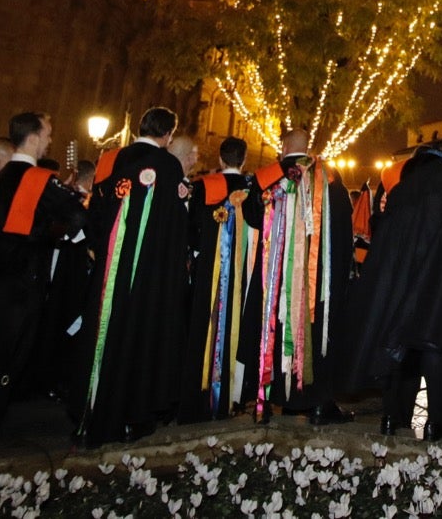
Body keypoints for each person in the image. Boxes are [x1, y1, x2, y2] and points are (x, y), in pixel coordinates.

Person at [0, 112, 84, 449]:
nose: (50, 140)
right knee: (7, 354)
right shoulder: (38, 178)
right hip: (21, 274)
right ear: (34, 136)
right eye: (48, 134)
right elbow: (77, 215)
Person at [342, 138, 442, 441]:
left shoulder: (403, 184)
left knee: (399, 341)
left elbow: (385, 231)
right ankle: (437, 421)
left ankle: (393, 416)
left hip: (400, 275)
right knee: (437, 343)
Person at [74, 107, 190, 445]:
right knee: (138, 339)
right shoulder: (168, 166)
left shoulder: (110, 158)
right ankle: (131, 413)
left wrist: (99, 250)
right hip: (149, 276)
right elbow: (174, 228)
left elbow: (95, 208)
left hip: (110, 269)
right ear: (168, 135)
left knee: (105, 332)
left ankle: (91, 407)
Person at [240, 128, 353, 425]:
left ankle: (277, 396)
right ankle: (318, 402)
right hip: (317, 279)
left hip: (274, 275)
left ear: (283, 146)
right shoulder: (329, 178)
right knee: (314, 334)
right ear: (308, 147)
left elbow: (252, 216)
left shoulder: (267, 176)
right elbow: (343, 227)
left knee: (275, 330)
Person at [180, 136, 255, 423]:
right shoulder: (253, 189)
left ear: (221, 160)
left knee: (202, 329)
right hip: (241, 276)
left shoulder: (202, 187)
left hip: (206, 274)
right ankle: (232, 396)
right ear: (244, 159)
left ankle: (197, 396)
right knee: (235, 329)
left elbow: (191, 229)